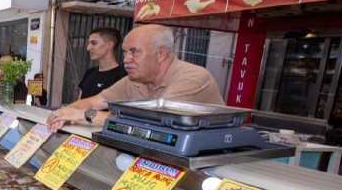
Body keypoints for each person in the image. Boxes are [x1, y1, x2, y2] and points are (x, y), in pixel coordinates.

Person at [48, 24, 225, 131]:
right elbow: (92, 102)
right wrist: (62, 114)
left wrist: (84, 115)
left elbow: (149, 123)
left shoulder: (193, 78)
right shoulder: (134, 80)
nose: (126, 59)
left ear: (161, 53)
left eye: (134, 52)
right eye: (125, 52)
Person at [78, 27, 128, 99]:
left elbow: (115, 109)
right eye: (89, 43)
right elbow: (79, 103)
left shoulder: (122, 76)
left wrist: (86, 111)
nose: (88, 48)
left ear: (109, 45)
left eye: (94, 43)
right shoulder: (89, 73)